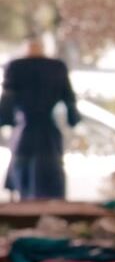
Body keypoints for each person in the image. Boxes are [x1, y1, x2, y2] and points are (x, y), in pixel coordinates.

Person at [0, 37, 81, 200]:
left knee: (26, 173)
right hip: (45, 133)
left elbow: (8, 97)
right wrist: (73, 119)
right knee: (46, 172)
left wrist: (5, 120)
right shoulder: (56, 68)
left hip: (27, 132)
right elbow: (69, 98)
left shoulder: (16, 67)